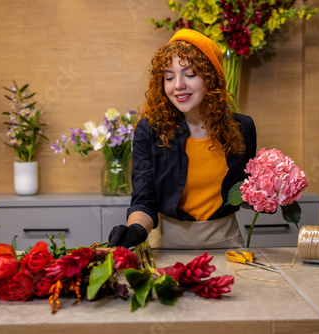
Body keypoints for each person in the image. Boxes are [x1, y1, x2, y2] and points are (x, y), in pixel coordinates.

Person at [108, 29, 256, 249]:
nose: (178, 85)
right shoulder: (149, 129)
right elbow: (144, 199)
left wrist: (271, 193)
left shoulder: (242, 128)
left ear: (211, 78)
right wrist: (135, 231)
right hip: (165, 246)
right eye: (169, 77)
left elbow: (244, 196)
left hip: (227, 244)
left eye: (190, 74)